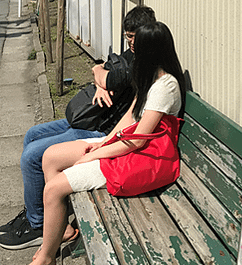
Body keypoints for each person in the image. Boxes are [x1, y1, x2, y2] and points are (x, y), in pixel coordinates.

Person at [0, 5, 156, 250]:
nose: (131, 42)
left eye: (135, 37)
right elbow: (100, 67)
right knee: (31, 135)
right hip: (94, 118)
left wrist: (102, 78)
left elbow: (105, 73)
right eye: (128, 37)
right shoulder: (130, 56)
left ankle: (40, 224)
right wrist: (101, 79)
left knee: (32, 157)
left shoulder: (140, 65)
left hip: (103, 131)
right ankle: (37, 208)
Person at [30, 21, 186, 265]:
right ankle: (62, 229)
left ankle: (46, 258)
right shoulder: (151, 79)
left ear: (151, 52)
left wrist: (95, 155)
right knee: (50, 156)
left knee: (53, 188)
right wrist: (104, 142)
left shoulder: (166, 87)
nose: (132, 51)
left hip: (141, 159)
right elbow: (129, 119)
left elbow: (136, 141)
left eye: (137, 47)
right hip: (127, 148)